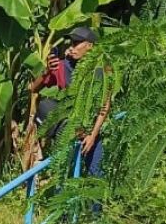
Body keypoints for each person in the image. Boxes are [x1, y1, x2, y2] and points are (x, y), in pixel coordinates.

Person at [29, 26, 108, 176]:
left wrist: (92, 135)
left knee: (96, 176)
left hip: (91, 130)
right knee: (64, 175)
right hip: (68, 130)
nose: (72, 48)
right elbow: (34, 88)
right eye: (71, 43)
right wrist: (46, 70)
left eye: (76, 43)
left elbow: (104, 105)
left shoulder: (101, 70)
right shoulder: (62, 66)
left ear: (90, 46)